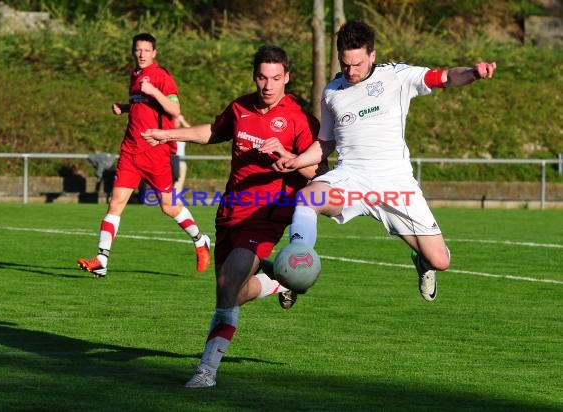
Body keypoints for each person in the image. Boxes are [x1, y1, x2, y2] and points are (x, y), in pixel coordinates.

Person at [142, 45, 327, 388]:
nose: (268, 85)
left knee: (228, 287)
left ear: (286, 77)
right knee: (231, 292)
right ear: (255, 76)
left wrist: (287, 154)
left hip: (265, 215)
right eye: (262, 77)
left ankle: (206, 371)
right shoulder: (241, 107)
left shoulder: (299, 118)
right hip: (229, 212)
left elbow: (319, 169)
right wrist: (168, 134)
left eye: (275, 78)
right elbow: (213, 131)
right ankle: (279, 280)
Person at [273, 20, 497, 302]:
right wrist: (295, 161)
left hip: (395, 182)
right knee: (307, 198)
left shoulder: (398, 77)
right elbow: (326, 143)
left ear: (372, 55)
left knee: (440, 260)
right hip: (351, 177)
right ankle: (296, 269)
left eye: (357, 64)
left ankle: (423, 263)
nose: (351, 71)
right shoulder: (332, 92)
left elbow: (445, 78)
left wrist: (474, 73)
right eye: (345, 64)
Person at [77, 33, 211, 278]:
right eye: (138, 50)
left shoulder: (161, 76)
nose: (141, 54)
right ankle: (102, 258)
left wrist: (154, 91)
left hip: (155, 152)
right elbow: (143, 107)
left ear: (154, 53)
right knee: (115, 203)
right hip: (130, 151)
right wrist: (125, 107)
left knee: (169, 207)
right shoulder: (135, 76)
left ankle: (200, 239)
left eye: (146, 50)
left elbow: (174, 109)